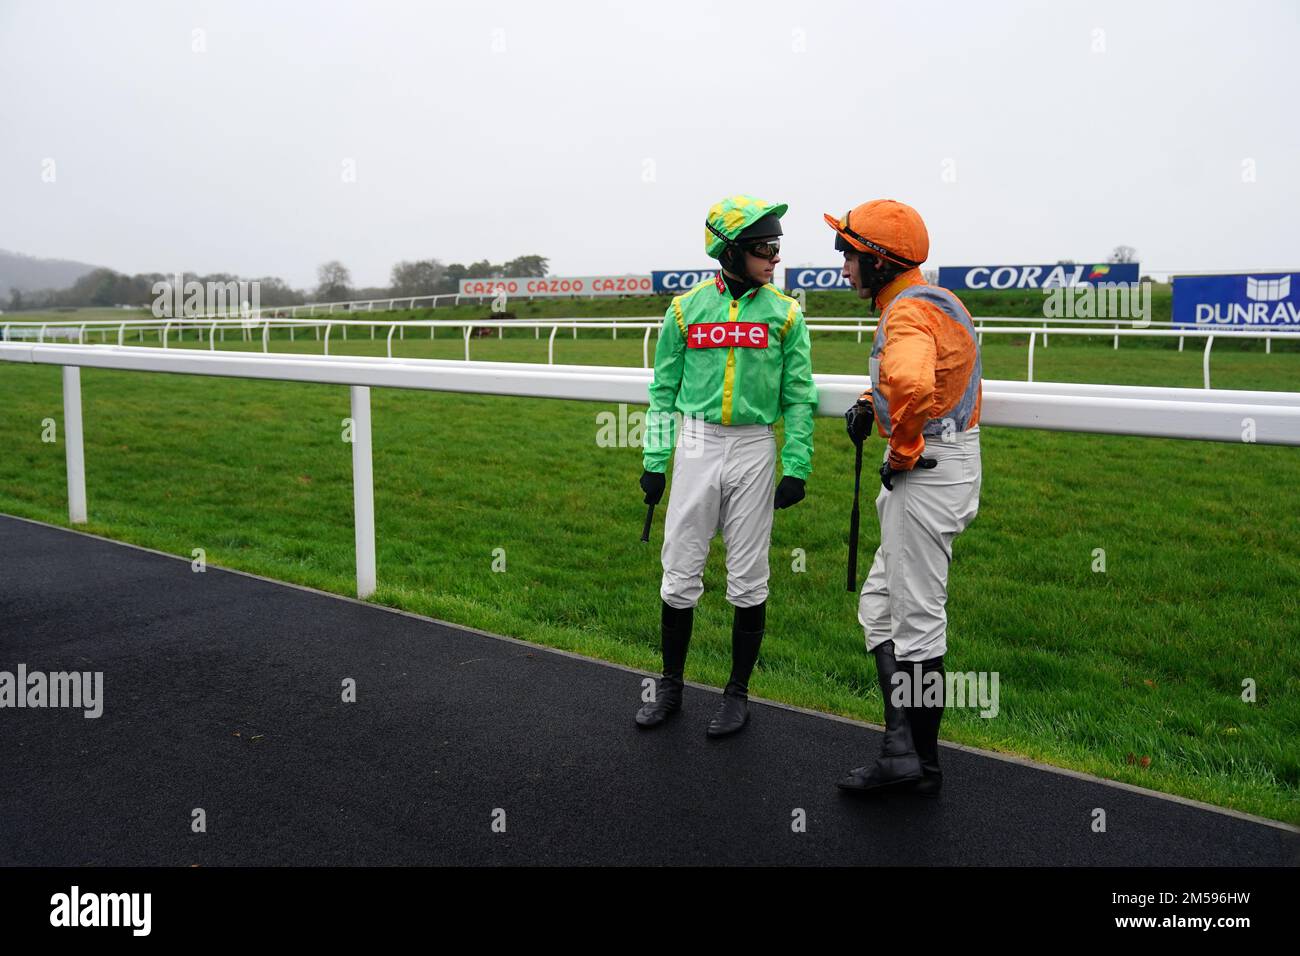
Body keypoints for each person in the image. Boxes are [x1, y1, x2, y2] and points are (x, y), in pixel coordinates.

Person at [635, 194, 817, 737]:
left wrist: (797, 464)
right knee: (680, 570)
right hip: (695, 443)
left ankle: (737, 694)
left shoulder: (786, 314)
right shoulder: (684, 309)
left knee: (749, 574)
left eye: (777, 247)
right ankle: (670, 686)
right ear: (729, 251)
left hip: (755, 447)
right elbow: (663, 392)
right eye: (764, 248)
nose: (774, 258)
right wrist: (654, 460)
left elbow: (800, 398)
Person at [827, 200, 982, 794]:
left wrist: (902, 447)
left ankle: (920, 764)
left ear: (879, 260)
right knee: (878, 608)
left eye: (849, 254)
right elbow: (924, 379)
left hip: (926, 473)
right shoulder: (931, 301)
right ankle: (905, 751)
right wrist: (874, 403)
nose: (843, 266)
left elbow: (915, 384)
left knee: (915, 622)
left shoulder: (907, 314)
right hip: (946, 464)